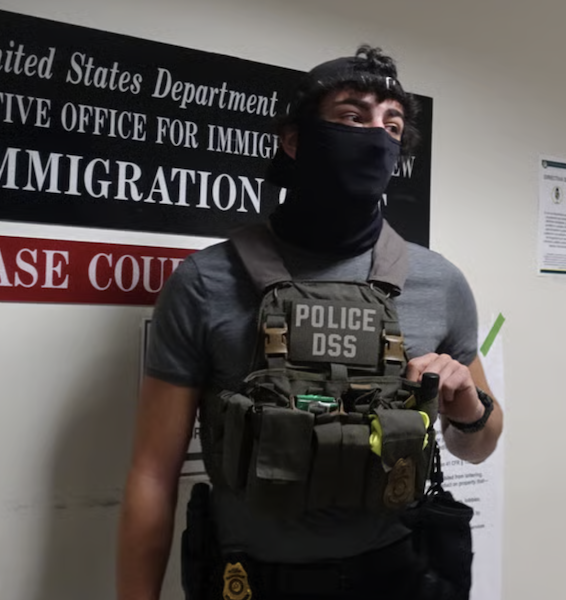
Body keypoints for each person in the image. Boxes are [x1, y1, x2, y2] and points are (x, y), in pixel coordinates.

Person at [116, 45, 503, 600]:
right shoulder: (206, 281)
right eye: (352, 116)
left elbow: (479, 445)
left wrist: (465, 405)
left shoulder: (438, 282)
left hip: (393, 575)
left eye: (391, 124)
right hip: (250, 578)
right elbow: (153, 474)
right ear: (294, 140)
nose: (376, 134)